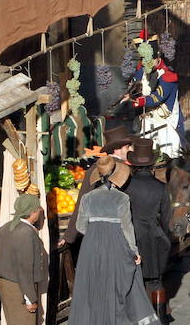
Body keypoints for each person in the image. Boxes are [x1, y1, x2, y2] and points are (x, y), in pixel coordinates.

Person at [68, 156, 159, 325]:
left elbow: (81, 227)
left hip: (90, 249)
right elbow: (127, 228)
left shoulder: (87, 198)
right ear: (117, 176)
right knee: (117, 287)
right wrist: (135, 252)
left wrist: (96, 234)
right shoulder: (122, 198)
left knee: (93, 288)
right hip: (116, 247)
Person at [62, 123, 137, 246]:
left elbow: (82, 202)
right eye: (127, 147)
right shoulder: (125, 170)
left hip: (95, 234)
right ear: (117, 149)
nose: (130, 150)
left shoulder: (93, 168)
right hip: (119, 235)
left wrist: (69, 236)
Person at [125, 138, 172, 324]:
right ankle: (158, 318)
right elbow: (167, 219)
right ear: (152, 164)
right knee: (156, 281)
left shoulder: (126, 187)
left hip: (133, 239)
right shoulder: (161, 188)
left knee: (134, 281)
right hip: (155, 239)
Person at [124, 31, 185, 156]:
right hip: (150, 118)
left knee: (169, 151)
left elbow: (157, 97)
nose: (147, 63)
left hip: (166, 119)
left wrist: (141, 101)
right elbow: (136, 83)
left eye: (150, 60)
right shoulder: (143, 69)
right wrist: (130, 94)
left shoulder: (168, 76)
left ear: (157, 57)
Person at [0, 194, 48, 325]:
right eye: (39, 209)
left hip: (6, 284)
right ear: (32, 212)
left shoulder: (5, 227)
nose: (40, 211)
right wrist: (30, 298)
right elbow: (24, 270)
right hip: (18, 288)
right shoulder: (25, 233)